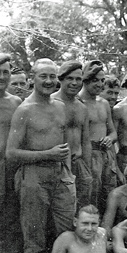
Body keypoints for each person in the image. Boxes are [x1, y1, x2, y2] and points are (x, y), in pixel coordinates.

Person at [6, 58, 76, 253]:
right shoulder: (24, 110)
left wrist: (67, 173)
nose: (48, 81)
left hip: (59, 174)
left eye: (52, 76)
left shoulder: (59, 107)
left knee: (62, 229)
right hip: (33, 176)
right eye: (43, 76)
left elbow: (64, 144)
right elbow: (11, 153)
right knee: (34, 232)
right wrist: (47, 155)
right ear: (32, 78)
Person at [0, 53, 28, 253]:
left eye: (6, 72)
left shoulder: (16, 102)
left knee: (11, 225)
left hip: (10, 168)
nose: (2, 77)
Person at [79, 60, 118, 214]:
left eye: (102, 80)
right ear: (86, 79)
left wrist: (110, 138)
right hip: (88, 156)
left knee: (109, 194)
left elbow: (113, 132)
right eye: (95, 80)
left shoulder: (103, 104)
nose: (100, 84)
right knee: (89, 196)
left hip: (106, 156)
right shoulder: (78, 103)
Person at [52, 61, 93, 209]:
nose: (74, 83)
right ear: (60, 79)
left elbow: (86, 141)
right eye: (70, 78)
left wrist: (87, 168)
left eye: (78, 79)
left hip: (80, 163)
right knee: (62, 208)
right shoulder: (51, 103)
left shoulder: (82, 107)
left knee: (82, 207)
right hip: (59, 165)